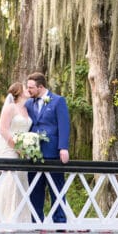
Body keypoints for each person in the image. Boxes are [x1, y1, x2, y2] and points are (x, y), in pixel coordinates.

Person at [24, 72, 71, 224]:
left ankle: (59, 223)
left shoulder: (58, 101)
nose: (28, 90)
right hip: (33, 154)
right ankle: (36, 222)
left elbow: (64, 125)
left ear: (41, 87)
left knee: (56, 190)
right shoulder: (28, 103)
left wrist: (63, 148)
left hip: (52, 153)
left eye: (31, 87)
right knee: (35, 191)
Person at [0, 81, 32, 223]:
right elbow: (3, 129)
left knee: (22, 181)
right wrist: (17, 146)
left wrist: (27, 147)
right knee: (10, 182)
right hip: (11, 149)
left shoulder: (26, 110)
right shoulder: (10, 108)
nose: (28, 90)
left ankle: (21, 219)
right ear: (19, 92)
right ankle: (5, 218)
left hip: (24, 152)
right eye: (25, 88)